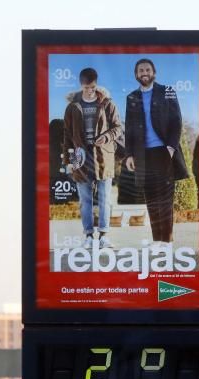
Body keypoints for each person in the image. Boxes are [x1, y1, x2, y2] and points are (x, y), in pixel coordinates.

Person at [123, 58, 192, 246]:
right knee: (151, 198)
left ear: (154, 72)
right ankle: (157, 240)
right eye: (140, 70)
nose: (144, 72)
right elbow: (128, 128)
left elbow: (176, 120)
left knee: (165, 198)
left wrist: (171, 147)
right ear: (136, 75)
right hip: (142, 155)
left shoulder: (167, 91)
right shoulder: (131, 98)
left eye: (147, 69)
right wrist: (129, 154)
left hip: (164, 151)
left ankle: (167, 240)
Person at [63, 67, 123, 250]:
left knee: (105, 198)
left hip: (104, 156)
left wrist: (106, 137)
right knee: (85, 200)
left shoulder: (107, 103)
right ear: (81, 85)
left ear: (96, 84)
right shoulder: (73, 107)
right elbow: (67, 137)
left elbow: (118, 128)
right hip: (80, 159)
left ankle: (104, 236)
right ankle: (88, 236)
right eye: (87, 87)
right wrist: (69, 162)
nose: (90, 90)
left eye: (93, 87)